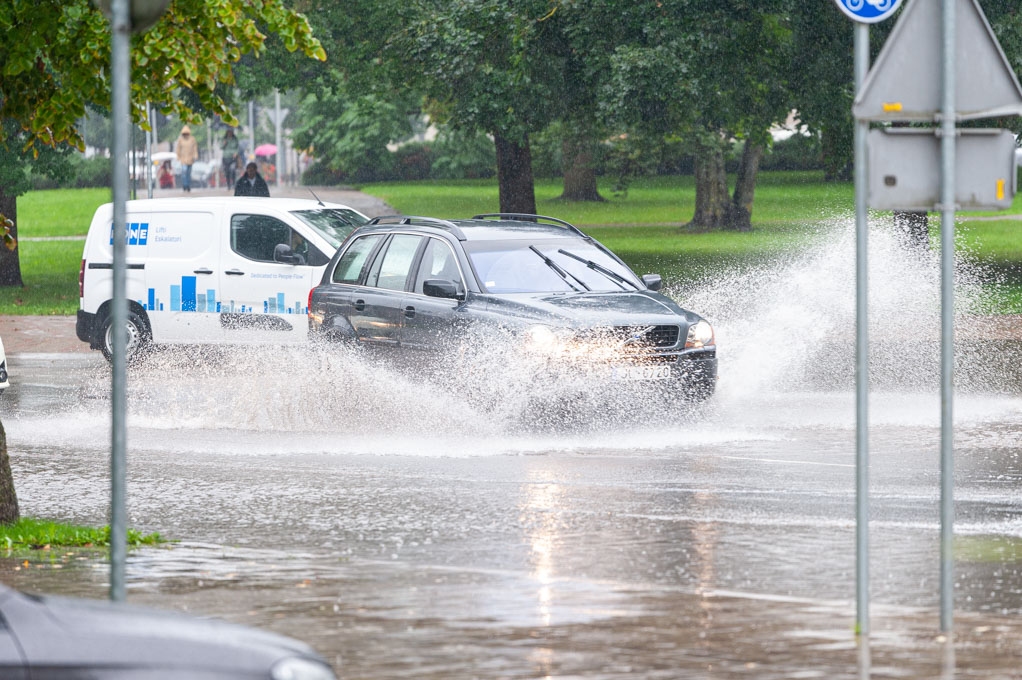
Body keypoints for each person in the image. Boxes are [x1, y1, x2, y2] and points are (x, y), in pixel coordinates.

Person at [174, 126, 198, 193]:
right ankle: (185, 185)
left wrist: (195, 155)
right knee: (184, 172)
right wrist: (178, 156)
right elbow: (178, 148)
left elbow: (195, 148)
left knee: (188, 174)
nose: (186, 135)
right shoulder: (180, 140)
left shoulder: (192, 139)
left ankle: (188, 186)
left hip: (190, 159)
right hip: (183, 159)